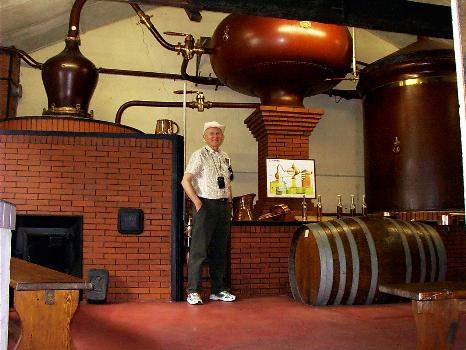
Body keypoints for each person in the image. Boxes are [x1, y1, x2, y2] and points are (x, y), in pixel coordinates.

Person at [181, 121, 236, 305]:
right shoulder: (199, 155)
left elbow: (228, 183)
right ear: (204, 137)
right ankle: (193, 291)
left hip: (222, 206)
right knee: (199, 250)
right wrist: (197, 202)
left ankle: (218, 289)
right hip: (205, 204)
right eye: (211, 133)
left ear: (223, 137)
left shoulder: (225, 156)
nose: (215, 136)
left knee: (220, 251)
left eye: (218, 133)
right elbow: (185, 181)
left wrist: (229, 204)